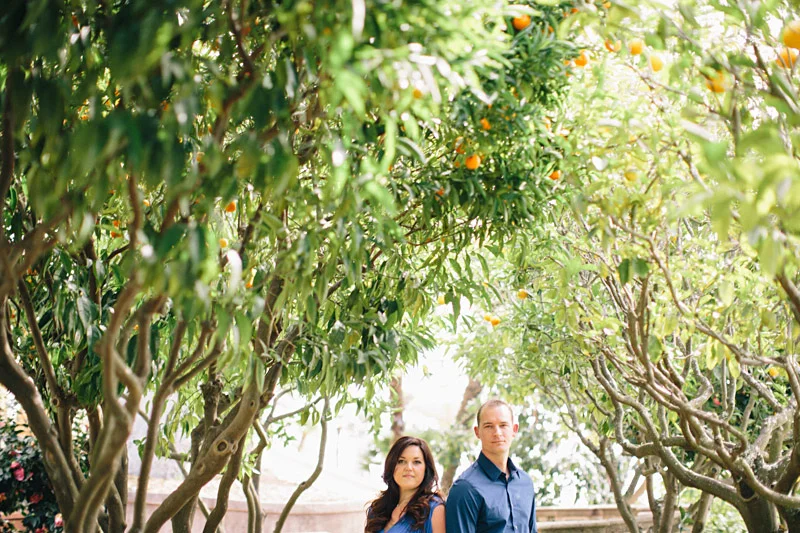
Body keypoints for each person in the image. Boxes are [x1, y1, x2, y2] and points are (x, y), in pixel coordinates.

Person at [446, 399, 537, 533]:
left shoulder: (525, 483)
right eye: (489, 426)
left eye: (503, 425)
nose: (497, 433)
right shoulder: (465, 489)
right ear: (477, 432)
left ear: (514, 429)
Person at [366, 435, 446, 533]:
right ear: (392, 466)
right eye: (401, 461)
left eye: (416, 462)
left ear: (426, 469)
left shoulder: (434, 509)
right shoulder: (377, 509)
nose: (408, 468)